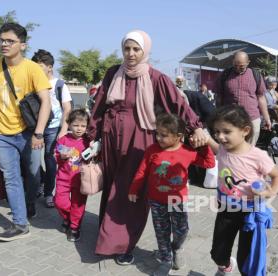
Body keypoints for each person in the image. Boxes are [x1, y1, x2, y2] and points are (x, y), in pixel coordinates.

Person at [88, 30, 207, 265]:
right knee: (113, 183)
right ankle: (108, 231)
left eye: (136, 49)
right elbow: (99, 104)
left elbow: (177, 103)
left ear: (145, 51)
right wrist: (92, 134)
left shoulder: (155, 77)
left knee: (131, 188)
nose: (131, 54)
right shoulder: (113, 72)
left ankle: (123, 244)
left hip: (139, 138)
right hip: (111, 136)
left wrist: (196, 127)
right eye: (127, 48)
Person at [0, 22, 51, 241]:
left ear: (22, 45)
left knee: (32, 175)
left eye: (10, 41)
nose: (4, 44)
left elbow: (46, 102)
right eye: (2, 40)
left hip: (28, 133)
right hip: (2, 133)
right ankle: (20, 224)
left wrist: (39, 133)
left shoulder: (32, 68)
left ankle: (29, 202)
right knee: (11, 177)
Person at [128, 113, 214, 276]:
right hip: (156, 200)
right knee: (161, 231)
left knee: (182, 229)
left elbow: (209, 163)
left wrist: (203, 146)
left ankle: (176, 248)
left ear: (179, 136)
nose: (158, 138)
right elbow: (142, 171)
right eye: (157, 133)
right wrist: (134, 189)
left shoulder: (187, 151)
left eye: (164, 135)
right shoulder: (152, 150)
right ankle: (166, 260)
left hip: (177, 200)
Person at [206, 105, 278, 276]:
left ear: (245, 130)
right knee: (218, 253)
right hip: (226, 210)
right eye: (216, 131)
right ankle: (225, 267)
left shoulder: (258, 155)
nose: (220, 136)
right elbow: (208, 141)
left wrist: (269, 193)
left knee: (247, 259)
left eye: (226, 131)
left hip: (251, 213)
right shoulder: (222, 150)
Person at [32, 49, 72, 208]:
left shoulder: (59, 84)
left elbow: (67, 109)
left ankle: (49, 193)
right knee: (32, 162)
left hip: (54, 129)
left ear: (49, 67)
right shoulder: (32, 83)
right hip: (36, 129)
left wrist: (62, 131)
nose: (37, 69)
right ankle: (40, 182)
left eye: (40, 66)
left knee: (50, 162)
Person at [215, 51, 271, 145]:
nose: (238, 68)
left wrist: (267, 118)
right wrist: (218, 116)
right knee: (231, 149)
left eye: (241, 66)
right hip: (230, 120)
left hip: (252, 119)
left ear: (248, 62)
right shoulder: (224, 75)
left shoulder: (255, 75)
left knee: (249, 150)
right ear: (233, 62)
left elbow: (261, 97)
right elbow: (219, 97)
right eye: (235, 65)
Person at [54, 109, 89, 242]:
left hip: (81, 180)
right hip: (63, 178)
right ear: (68, 124)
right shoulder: (63, 140)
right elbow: (56, 157)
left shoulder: (87, 142)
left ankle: (74, 227)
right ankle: (69, 217)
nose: (79, 129)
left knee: (78, 204)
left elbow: (94, 157)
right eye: (76, 125)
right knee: (59, 202)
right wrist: (61, 157)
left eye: (83, 126)